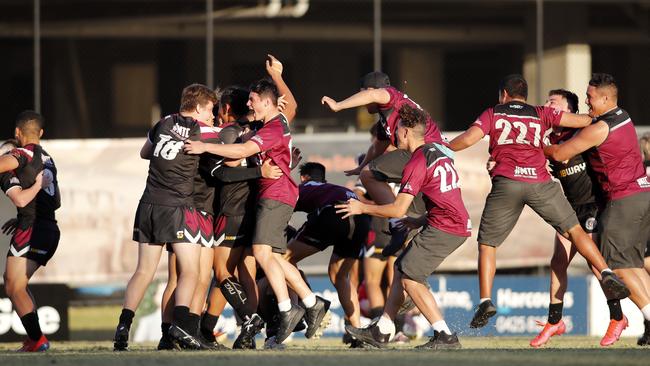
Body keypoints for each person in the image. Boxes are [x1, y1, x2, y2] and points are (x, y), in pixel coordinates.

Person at [448, 74, 629, 330]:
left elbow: (468, 139)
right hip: (540, 182)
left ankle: (486, 300)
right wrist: (604, 115)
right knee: (575, 231)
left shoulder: (494, 112)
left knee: (488, 244)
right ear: (525, 95)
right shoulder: (540, 112)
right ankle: (606, 271)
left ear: (503, 95)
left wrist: (443, 146)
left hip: (507, 182)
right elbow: (582, 120)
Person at [184, 55, 330, 345]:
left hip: (255, 201)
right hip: (265, 197)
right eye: (248, 101)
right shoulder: (268, 122)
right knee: (262, 261)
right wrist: (277, 75)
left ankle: (268, 317)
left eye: (254, 100)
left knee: (228, 269)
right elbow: (292, 105)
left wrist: (201, 146)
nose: (250, 105)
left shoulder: (247, 130)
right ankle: (307, 306)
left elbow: (236, 157)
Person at [337, 105, 471, 349]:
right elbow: (441, 196)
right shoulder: (435, 152)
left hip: (447, 227)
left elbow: (398, 209)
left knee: (410, 279)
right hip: (444, 222)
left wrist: (362, 208)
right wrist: (417, 221)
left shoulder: (416, 162)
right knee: (401, 270)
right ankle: (383, 329)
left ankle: (445, 336)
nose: (394, 134)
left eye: (397, 130)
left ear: (407, 132)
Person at [544, 73, 650, 347]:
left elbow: (558, 154)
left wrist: (533, 145)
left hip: (622, 200)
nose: (587, 102)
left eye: (590, 98)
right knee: (635, 266)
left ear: (605, 98)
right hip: (642, 194)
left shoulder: (599, 128)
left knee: (617, 267)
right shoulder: (623, 115)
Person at [113, 83, 217, 351]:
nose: (212, 116)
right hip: (176, 208)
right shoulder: (202, 131)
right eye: (210, 110)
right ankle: (181, 328)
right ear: (197, 108)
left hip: (148, 204)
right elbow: (232, 144)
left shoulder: (162, 123)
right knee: (191, 270)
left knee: (144, 270)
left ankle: (124, 325)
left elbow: (144, 153)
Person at [529, 89, 625, 347]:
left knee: (597, 265)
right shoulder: (547, 137)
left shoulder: (584, 133)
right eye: (546, 100)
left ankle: (617, 317)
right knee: (558, 262)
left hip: (592, 207)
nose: (547, 105)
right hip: (569, 209)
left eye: (553, 102)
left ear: (569, 112)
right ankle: (555, 322)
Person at [321, 72, 434, 254]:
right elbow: (378, 146)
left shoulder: (389, 95)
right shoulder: (388, 117)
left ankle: (398, 225)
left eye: (362, 94)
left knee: (370, 175)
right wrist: (361, 166)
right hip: (433, 159)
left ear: (373, 90)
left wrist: (338, 106)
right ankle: (408, 225)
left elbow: (373, 95)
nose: (362, 101)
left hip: (426, 154)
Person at [284, 162, 368, 342]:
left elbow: (281, 209)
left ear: (303, 178)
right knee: (339, 275)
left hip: (333, 213)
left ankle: (307, 306)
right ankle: (357, 332)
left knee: (283, 259)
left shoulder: (303, 187)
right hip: (361, 220)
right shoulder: (331, 187)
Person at [0, 111, 61, 352]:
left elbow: (5, 164)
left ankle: (38, 340)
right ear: (42, 133)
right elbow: (56, 201)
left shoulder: (22, 153)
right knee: (16, 284)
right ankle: (34, 338)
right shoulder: (48, 159)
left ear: (17, 133)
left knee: (14, 285)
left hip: (33, 228)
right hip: (47, 226)